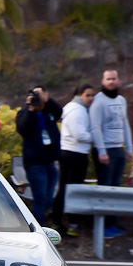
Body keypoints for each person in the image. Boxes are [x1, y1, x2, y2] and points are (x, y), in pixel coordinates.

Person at [90, 69, 133, 238]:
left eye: (114, 79)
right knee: (105, 188)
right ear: (102, 81)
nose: (111, 82)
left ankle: (112, 223)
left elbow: (125, 125)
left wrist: (129, 148)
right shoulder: (98, 102)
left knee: (116, 188)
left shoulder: (122, 100)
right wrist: (101, 151)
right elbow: (95, 127)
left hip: (119, 148)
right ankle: (102, 226)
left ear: (119, 81)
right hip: (105, 150)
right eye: (108, 79)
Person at [51, 84, 95, 236]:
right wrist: (95, 136)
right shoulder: (78, 110)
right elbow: (79, 135)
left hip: (67, 152)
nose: (91, 98)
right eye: (87, 95)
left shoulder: (70, 107)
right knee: (73, 190)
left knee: (64, 188)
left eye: (92, 95)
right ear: (80, 95)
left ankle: (58, 221)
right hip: (75, 154)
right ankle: (71, 224)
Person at [15, 85, 63, 226]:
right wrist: (31, 109)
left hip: (50, 161)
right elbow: (22, 129)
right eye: (35, 94)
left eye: (40, 94)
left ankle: (36, 222)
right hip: (35, 164)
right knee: (40, 198)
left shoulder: (49, 111)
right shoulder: (24, 113)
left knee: (48, 198)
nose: (37, 97)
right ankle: (38, 229)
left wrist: (46, 100)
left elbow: (59, 112)